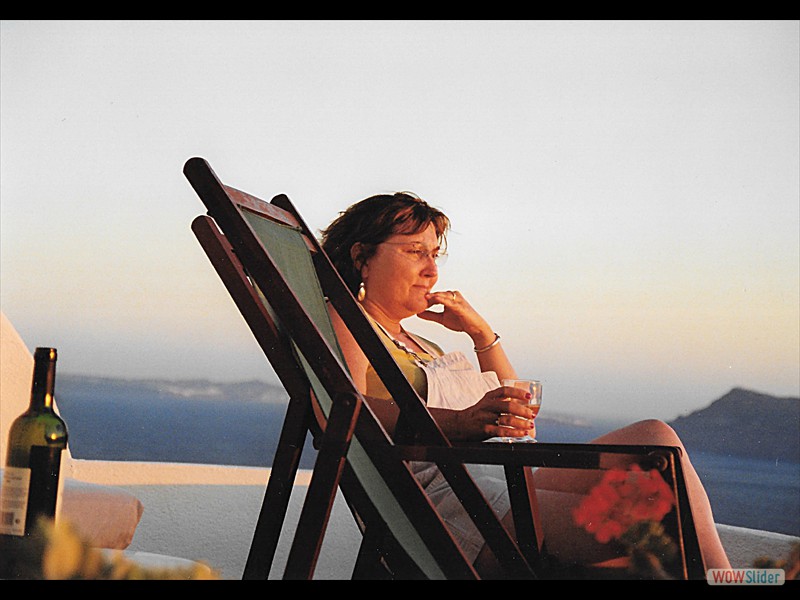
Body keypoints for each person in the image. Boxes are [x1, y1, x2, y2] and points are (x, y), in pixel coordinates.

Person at [320, 191, 731, 577]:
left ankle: (722, 577)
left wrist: (483, 336)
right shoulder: (348, 321)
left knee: (655, 436)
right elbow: (352, 412)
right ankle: (726, 580)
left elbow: (521, 417)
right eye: (415, 252)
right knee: (660, 518)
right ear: (362, 256)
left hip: (495, 476)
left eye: (434, 255)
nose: (432, 270)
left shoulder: (422, 343)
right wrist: (463, 422)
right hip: (450, 499)